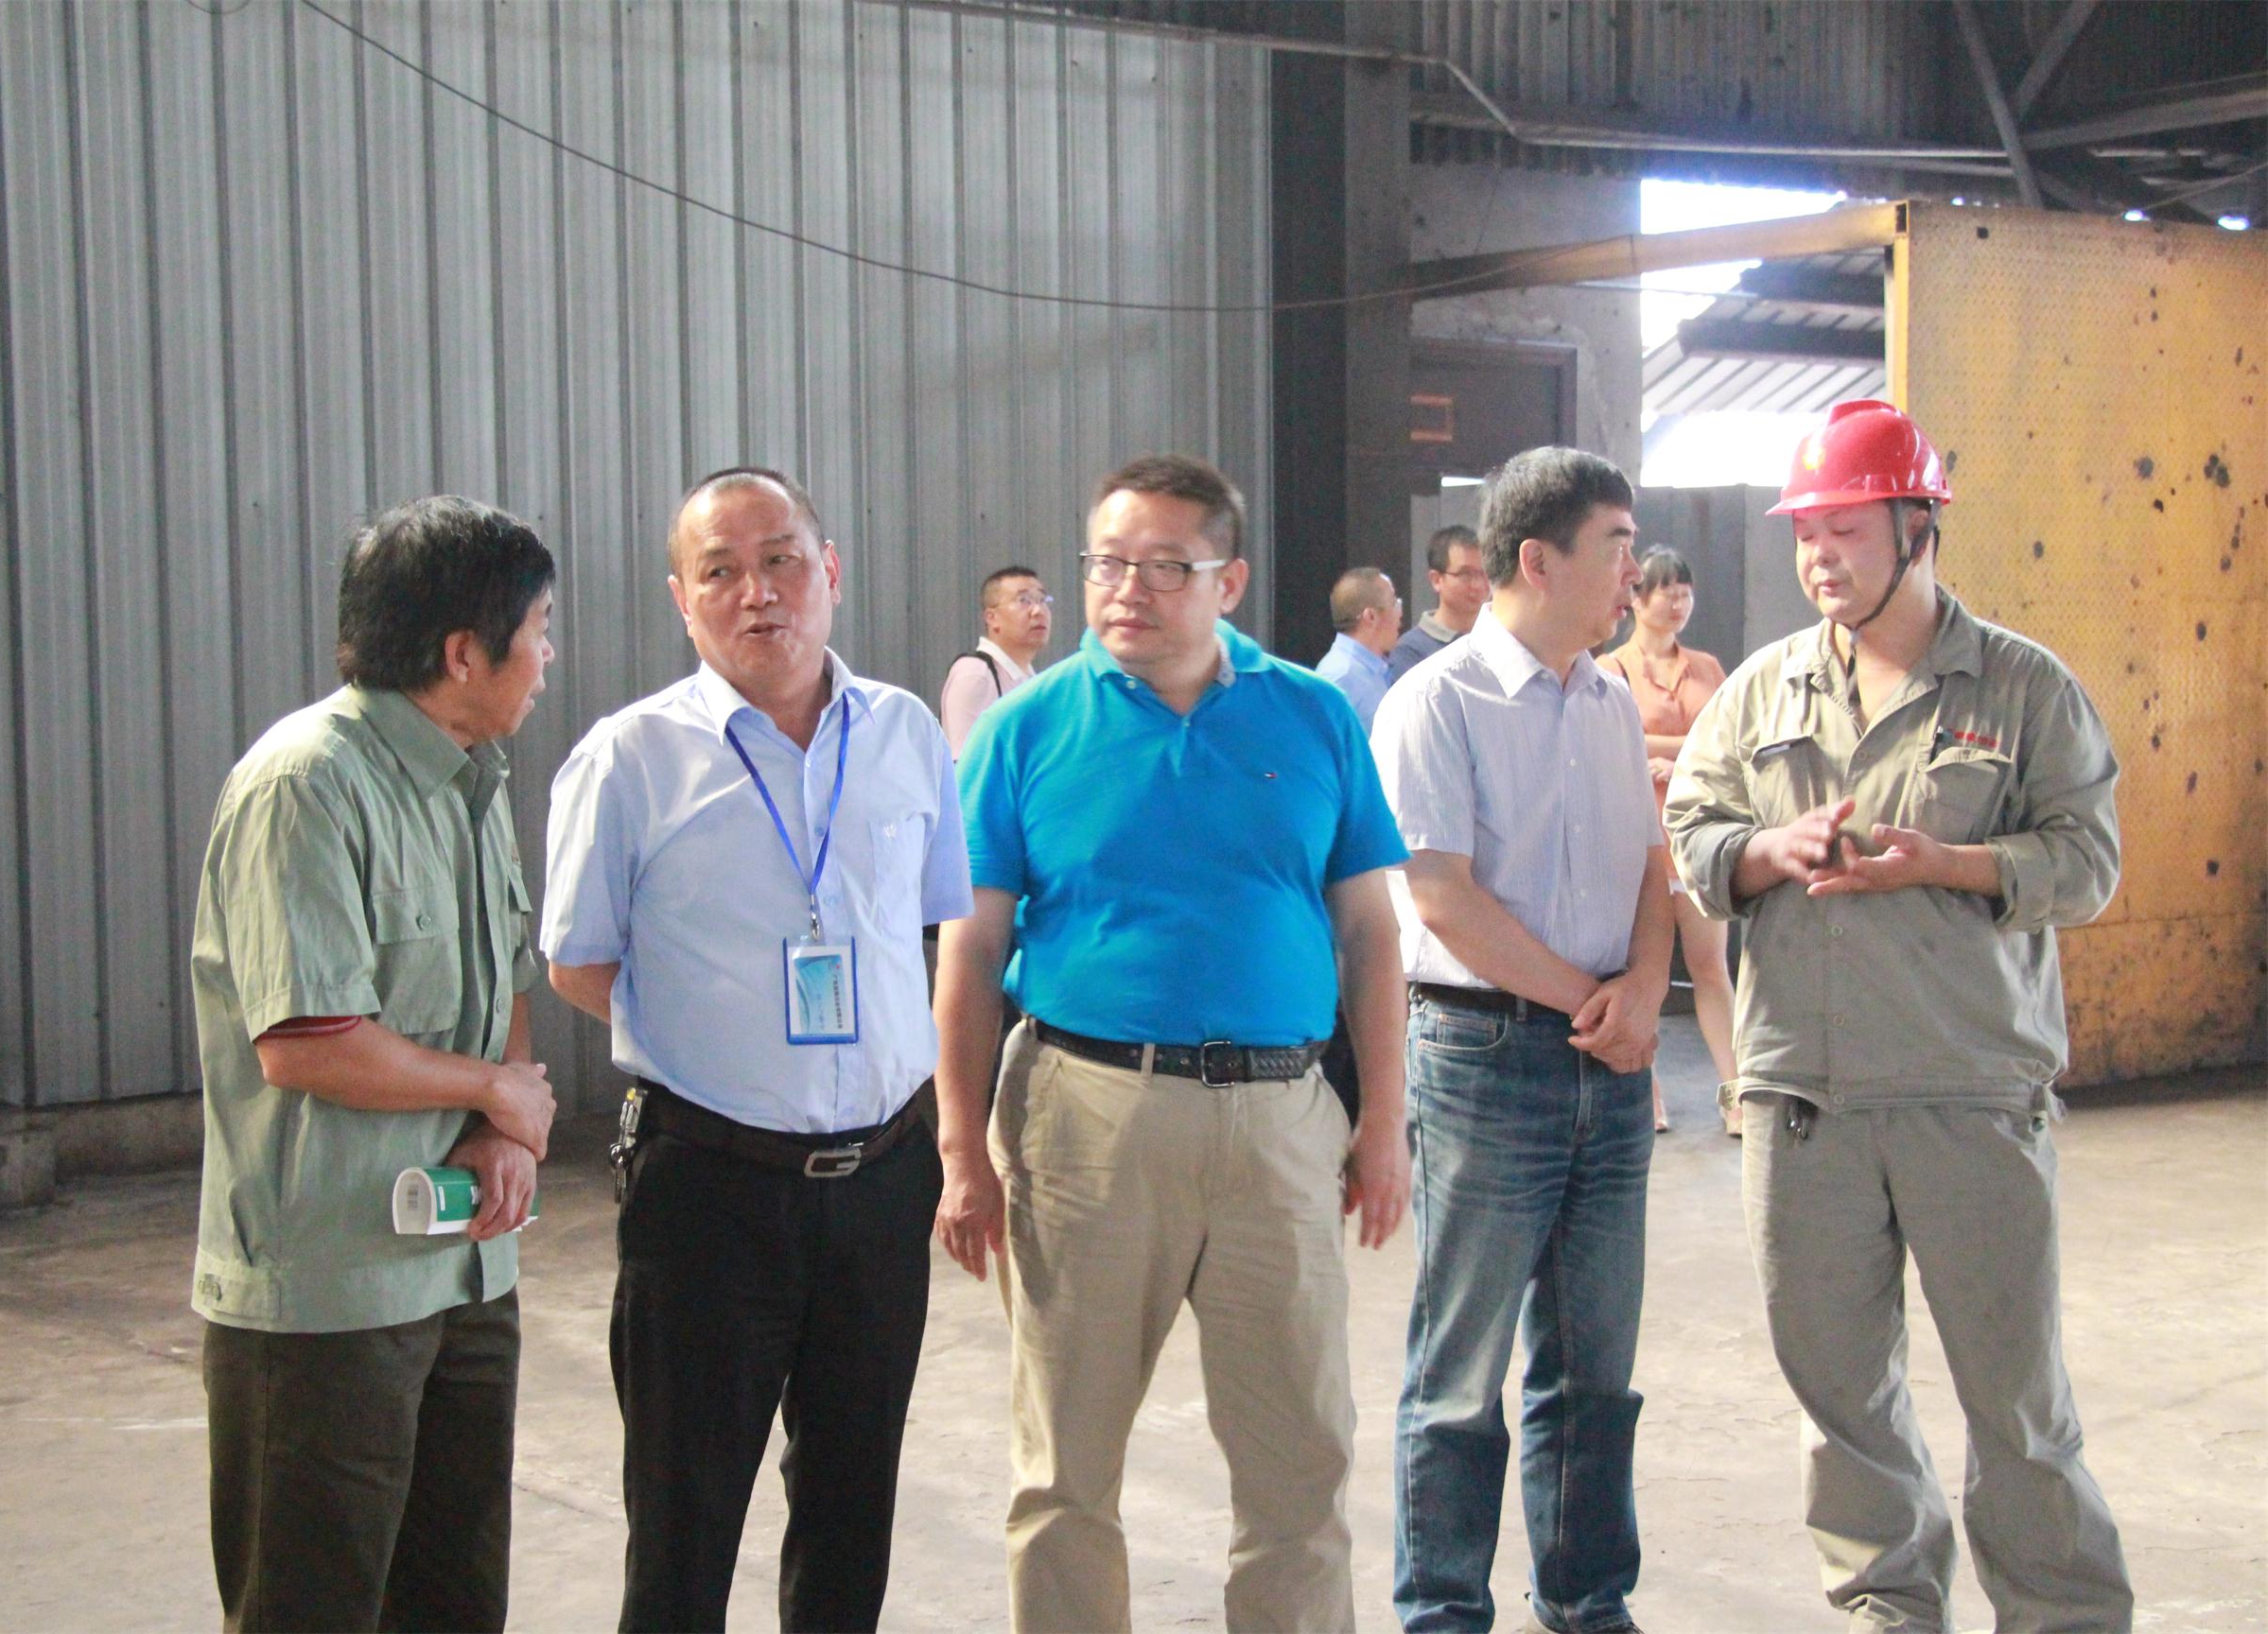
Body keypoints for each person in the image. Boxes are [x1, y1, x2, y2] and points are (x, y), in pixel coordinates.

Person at [1666, 399, 2134, 1630]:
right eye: (1805, 533)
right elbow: (1693, 831)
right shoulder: (1761, 692)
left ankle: (2064, 1615)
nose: (1819, 557)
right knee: (1840, 1400)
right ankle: (1885, 1606)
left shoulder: (2024, 689)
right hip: (1802, 1103)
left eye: (1846, 530)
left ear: (1918, 529)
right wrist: (1765, 849)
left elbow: (2088, 863)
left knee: (2016, 1403)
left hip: (1966, 1093)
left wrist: (1952, 864)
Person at [933, 453, 1412, 1633]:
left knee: (1300, 1465)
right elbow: (971, 950)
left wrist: (1385, 1125)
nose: (1125, 591)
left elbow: (1369, 934)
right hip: (1084, 1118)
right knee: (1065, 1467)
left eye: (1163, 567)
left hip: (1282, 1120)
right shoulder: (1027, 729)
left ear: (1228, 581)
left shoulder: (1311, 717)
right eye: (1106, 564)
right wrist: (959, 1148)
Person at [542, 467, 972, 1633]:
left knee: (851, 1510)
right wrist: (717, 1037)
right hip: (709, 1188)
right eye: (720, 571)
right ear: (682, 599)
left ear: (829, 570)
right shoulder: (630, 758)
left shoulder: (905, 733)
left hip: (881, 1182)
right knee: (683, 1527)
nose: (756, 592)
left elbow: (929, 925)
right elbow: (579, 962)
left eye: (779, 560)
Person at [189, 495, 558, 1634]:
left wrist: (501, 1130)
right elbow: (308, 1042)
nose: (548, 659)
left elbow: (505, 985)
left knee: (453, 1603)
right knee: (311, 1608)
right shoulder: (305, 785)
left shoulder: (473, 781)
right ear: (464, 653)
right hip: (330, 1296)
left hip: (465, 1271)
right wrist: (490, 1090)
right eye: (539, 631)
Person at [1370, 447, 1672, 1634]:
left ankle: (1587, 1599)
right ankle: (1444, 1609)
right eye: (1618, 548)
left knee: (1595, 1371)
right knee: (1461, 1374)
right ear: (1537, 560)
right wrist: (1593, 1002)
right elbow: (1440, 896)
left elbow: (1650, 865)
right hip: (1485, 1060)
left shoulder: (1608, 700)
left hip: (1611, 1061)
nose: (1634, 573)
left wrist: (1642, 988)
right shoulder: (1434, 702)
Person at [1597, 548, 1736, 1136]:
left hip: (1696, 834)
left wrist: (1674, 758)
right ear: (1636, 599)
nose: (1678, 603)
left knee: (1712, 968)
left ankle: (1736, 1094)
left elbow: (1727, 741)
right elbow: (1614, 740)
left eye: (1685, 592)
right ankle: (1645, 1093)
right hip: (1638, 840)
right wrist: (1687, 748)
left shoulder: (1707, 667)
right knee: (1643, 974)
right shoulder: (1610, 667)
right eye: (1665, 592)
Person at [941, 565, 1054, 756]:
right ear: (991, 618)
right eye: (1024, 600)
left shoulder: (1034, 680)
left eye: (1042, 600)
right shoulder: (976, 674)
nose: (1038, 611)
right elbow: (967, 762)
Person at [1387, 524, 1491, 685]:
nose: (1477, 584)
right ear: (1436, 580)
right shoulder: (1410, 651)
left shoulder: (1498, 639)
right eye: (1465, 574)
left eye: (1484, 574)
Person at [1314, 565, 1401, 730]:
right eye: (1394, 603)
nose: (1400, 613)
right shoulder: (1339, 676)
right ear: (1371, 616)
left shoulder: (1375, 671)